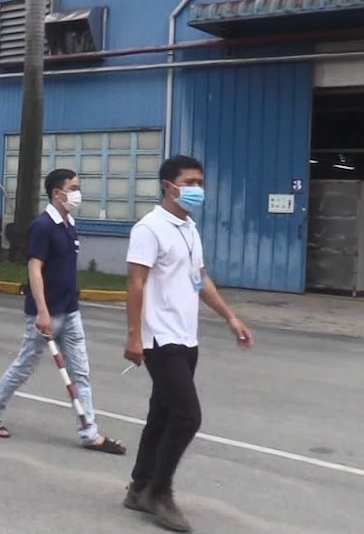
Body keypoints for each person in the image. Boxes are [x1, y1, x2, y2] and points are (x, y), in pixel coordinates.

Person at [121, 155, 254, 533]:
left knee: (161, 415)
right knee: (187, 416)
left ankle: (138, 487)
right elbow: (135, 283)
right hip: (159, 338)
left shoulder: (189, 227)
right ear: (169, 185)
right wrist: (134, 335)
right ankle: (159, 493)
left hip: (186, 336)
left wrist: (230, 317)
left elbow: (200, 280)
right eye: (190, 181)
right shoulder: (150, 228)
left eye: (200, 182)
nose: (198, 189)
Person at [0, 168, 127, 455]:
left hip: (70, 312)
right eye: (73, 187)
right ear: (58, 193)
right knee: (24, 366)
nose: (77, 193)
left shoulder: (69, 223)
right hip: (46, 315)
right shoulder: (43, 226)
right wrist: (43, 312)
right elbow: (34, 269)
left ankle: (89, 432)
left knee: (80, 373)